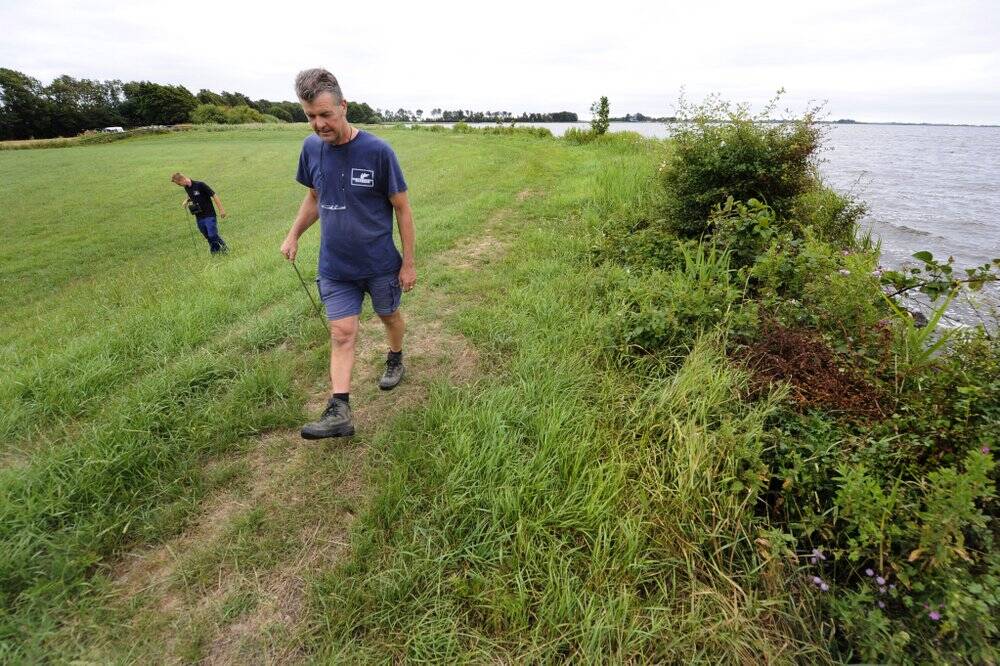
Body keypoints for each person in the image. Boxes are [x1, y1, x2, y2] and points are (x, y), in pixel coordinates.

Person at [280, 68, 416, 439]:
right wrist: (293, 235)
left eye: (325, 114)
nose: (318, 124)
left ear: (343, 106)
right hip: (335, 267)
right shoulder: (310, 149)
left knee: (389, 315)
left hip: (379, 263)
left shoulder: (378, 152)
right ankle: (339, 409)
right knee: (342, 332)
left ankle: (395, 356)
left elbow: (402, 208)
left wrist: (408, 262)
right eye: (310, 116)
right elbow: (314, 197)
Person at [172, 172, 229, 254]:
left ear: (182, 180)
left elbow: (214, 195)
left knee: (212, 235)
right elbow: (192, 195)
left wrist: (221, 210)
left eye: (179, 184)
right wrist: (187, 200)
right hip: (199, 217)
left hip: (209, 215)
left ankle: (221, 249)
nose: (179, 186)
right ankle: (218, 252)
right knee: (208, 237)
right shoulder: (187, 188)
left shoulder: (200, 185)